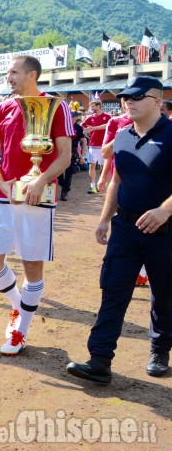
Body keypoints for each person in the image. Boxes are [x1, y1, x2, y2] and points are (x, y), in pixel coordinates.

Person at [66, 76, 172, 383]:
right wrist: (103, 218)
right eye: (126, 97)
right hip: (125, 227)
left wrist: (165, 210)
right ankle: (100, 359)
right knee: (113, 290)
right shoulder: (123, 136)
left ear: (156, 100)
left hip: (164, 230)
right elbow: (116, 180)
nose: (130, 101)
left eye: (137, 97)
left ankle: (159, 348)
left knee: (163, 294)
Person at [0, 55, 73, 356]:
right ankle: (19, 308)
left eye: (14, 72)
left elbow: (64, 155)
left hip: (36, 196)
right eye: (8, 73)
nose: (8, 78)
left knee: (32, 267)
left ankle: (20, 331)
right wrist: (1, 180)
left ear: (32, 75)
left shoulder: (58, 107)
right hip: (3, 194)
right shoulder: (3, 107)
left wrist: (41, 180)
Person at [81, 100, 111, 194]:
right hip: (93, 144)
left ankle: (102, 184)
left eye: (93, 106)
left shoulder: (107, 117)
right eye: (91, 107)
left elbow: (107, 126)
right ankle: (93, 186)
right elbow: (82, 126)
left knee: (103, 166)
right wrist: (86, 131)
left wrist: (94, 128)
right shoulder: (90, 117)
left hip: (104, 145)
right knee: (92, 165)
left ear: (99, 106)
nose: (92, 109)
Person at [57, 114, 87, 201]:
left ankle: (64, 192)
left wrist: (82, 156)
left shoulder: (78, 128)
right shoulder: (62, 125)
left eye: (73, 116)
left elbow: (84, 142)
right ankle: (63, 184)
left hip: (72, 152)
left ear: (76, 117)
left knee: (69, 173)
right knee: (58, 172)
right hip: (60, 152)